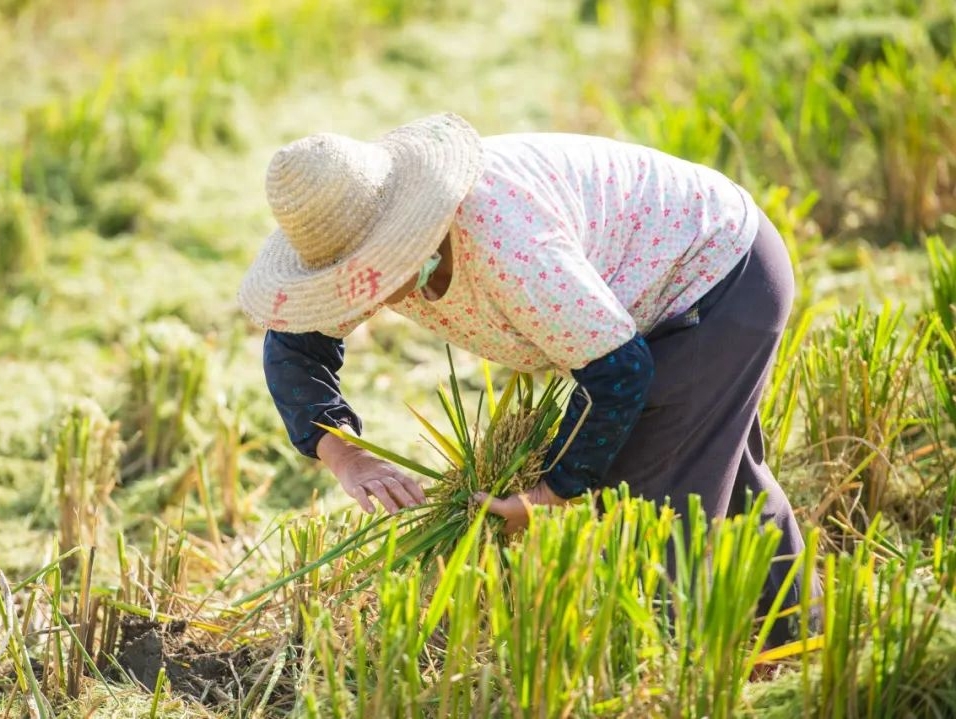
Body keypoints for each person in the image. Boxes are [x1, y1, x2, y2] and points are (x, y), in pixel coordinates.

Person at [238, 112, 819, 643]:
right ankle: (796, 639)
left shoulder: (508, 245)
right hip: (641, 306)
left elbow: (618, 374)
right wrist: (347, 456)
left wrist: (554, 492)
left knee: (652, 505)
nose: (353, 295)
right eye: (340, 280)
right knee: (721, 473)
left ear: (405, 233)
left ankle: (670, 671)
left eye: (364, 273)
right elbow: (294, 350)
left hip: (715, 274)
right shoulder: (360, 239)